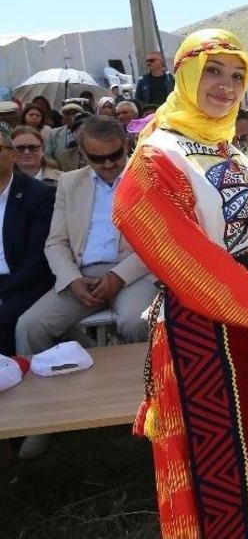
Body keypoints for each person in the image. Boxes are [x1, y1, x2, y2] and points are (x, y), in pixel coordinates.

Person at [112, 29, 248, 539]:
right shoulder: (156, 158)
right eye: (213, 71)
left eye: (237, 75)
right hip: (203, 333)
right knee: (222, 459)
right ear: (183, 74)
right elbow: (190, 265)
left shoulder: (215, 142)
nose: (226, 86)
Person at [14, 116, 157, 459]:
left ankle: (149, 407)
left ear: (127, 147)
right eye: (98, 158)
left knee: (136, 321)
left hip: (133, 272)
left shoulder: (148, 179)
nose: (108, 164)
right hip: (81, 274)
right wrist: (72, 280)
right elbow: (56, 243)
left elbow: (155, 242)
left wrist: (117, 277)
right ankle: (43, 419)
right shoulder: (69, 184)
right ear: (82, 154)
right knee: (30, 326)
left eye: (115, 156)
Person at [0, 122, 56, 357]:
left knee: (3, 319)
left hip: (23, 282)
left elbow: (38, 258)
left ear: (10, 154)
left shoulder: (38, 194)